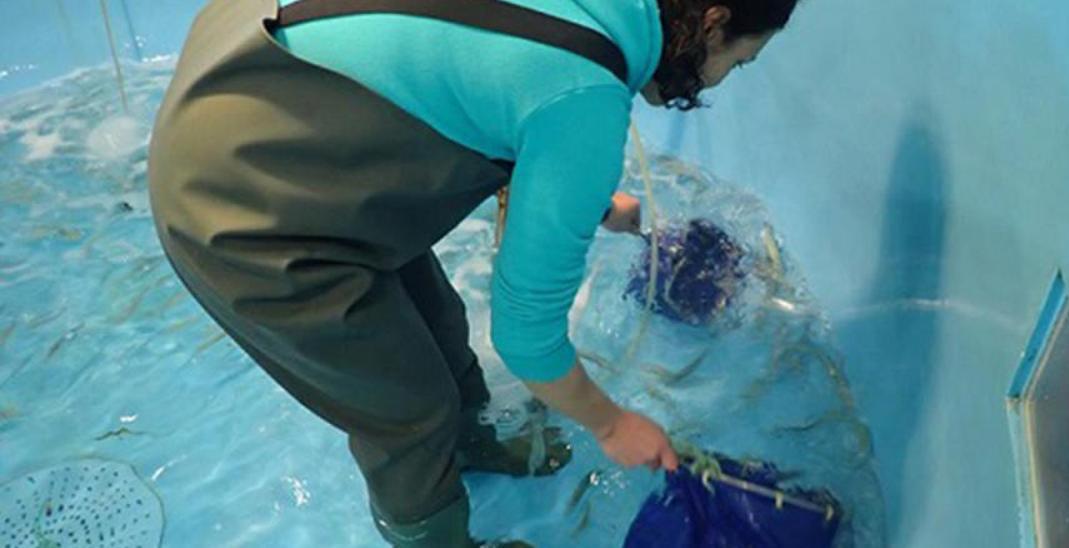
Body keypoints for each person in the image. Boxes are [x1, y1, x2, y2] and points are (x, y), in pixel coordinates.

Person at [146, 0, 797, 545]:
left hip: (254, 67)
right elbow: (529, 342)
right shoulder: (586, 102)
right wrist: (613, 423)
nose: (717, 81)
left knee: (439, 323)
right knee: (407, 411)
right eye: (737, 60)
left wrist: (587, 201)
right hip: (234, 202)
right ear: (711, 23)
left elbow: (478, 76)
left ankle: (472, 444)